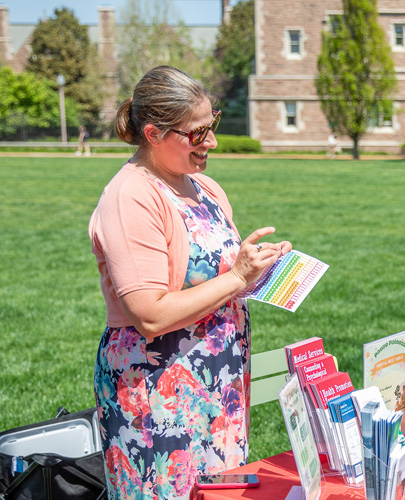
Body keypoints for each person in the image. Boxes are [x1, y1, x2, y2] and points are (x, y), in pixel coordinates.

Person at [89, 66, 292, 500]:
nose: (212, 142)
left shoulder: (205, 188)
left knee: (220, 493)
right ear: (153, 133)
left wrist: (257, 269)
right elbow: (149, 314)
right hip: (158, 384)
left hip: (217, 379)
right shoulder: (131, 196)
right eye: (197, 133)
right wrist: (237, 276)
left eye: (212, 124)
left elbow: (221, 281)